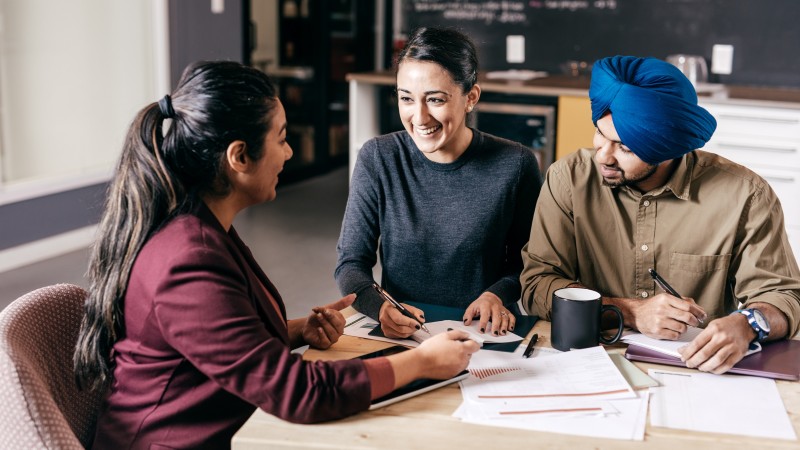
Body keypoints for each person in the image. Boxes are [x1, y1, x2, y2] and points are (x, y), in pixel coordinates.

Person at [73, 61, 479, 449]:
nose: (289, 153)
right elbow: (298, 393)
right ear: (239, 157)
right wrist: (421, 362)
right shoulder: (188, 260)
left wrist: (298, 331)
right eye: (281, 139)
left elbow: (218, 342)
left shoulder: (201, 227)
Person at [520, 55, 800, 374]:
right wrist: (629, 311)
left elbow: (783, 296)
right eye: (600, 133)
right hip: (589, 360)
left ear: (668, 149)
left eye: (625, 148)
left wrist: (748, 324)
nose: (603, 156)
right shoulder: (569, 179)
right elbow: (537, 285)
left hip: (698, 369)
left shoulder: (744, 195)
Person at [335, 27, 542, 339]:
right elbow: (351, 263)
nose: (419, 117)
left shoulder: (516, 164)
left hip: (485, 333)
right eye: (406, 98)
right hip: (408, 335)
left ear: (471, 97)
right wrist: (380, 308)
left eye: (435, 99)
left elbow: (529, 262)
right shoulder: (378, 158)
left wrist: (496, 295)